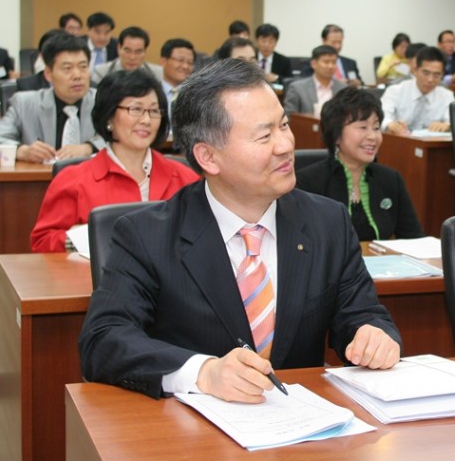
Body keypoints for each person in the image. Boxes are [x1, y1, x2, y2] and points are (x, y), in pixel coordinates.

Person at [78, 59, 401, 402]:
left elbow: (361, 313)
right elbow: (103, 339)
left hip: (302, 419)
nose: (285, 145)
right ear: (208, 157)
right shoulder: (146, 235)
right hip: (191, 425)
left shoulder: (328, 222)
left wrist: (374, 334)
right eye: (264, 136)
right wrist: (202, 372)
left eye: (284, 125)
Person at [30, 70, 200, 253]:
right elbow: (42, 243)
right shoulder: (72, 181)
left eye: (153, 111)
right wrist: (83, 239)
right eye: (136, 109)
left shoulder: (187, 178)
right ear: (109, 116)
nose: (146, 120)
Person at [296, 88, 424, 241]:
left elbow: (414, 239)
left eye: (376, 128)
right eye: (363, 127)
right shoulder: (308, 183)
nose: (373, 136)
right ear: (336, 134)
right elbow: (301, 243)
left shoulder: (391, 179)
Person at [0, 34, 105, 162]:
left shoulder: (103, 100)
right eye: (67, 68)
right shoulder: (25, 104)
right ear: (49, 74)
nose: (77, 75)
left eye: (83, 67)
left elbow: (116, 139)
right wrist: (23, 151)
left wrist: (89, 147)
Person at [380, 46, 454, 135]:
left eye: (436, 75)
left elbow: (453, 122)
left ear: (442, 74)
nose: (430, 79)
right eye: (426, 73)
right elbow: (382, 118)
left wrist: (447, 126)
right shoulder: (395, 91)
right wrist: (390, 125)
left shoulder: (447, 96)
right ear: (415, 70)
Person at [284, 45, 346, 115]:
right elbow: (289, 116)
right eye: (326, 62)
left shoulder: (344, 89)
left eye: (334, 62)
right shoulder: (297, 88)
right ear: (314, 64)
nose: (330, 66)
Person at [91, 26, 164, 83]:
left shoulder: (157, 73)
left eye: (138, 52)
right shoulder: (101, 72)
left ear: (145, 52)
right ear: (119, 48)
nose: (132, 57)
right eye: (127, 51)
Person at [158, 38, 196, 108]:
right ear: (163, 61)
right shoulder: (152, 92)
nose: (185, 66)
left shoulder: (195, 96)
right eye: (180, 60)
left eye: (190, 62)